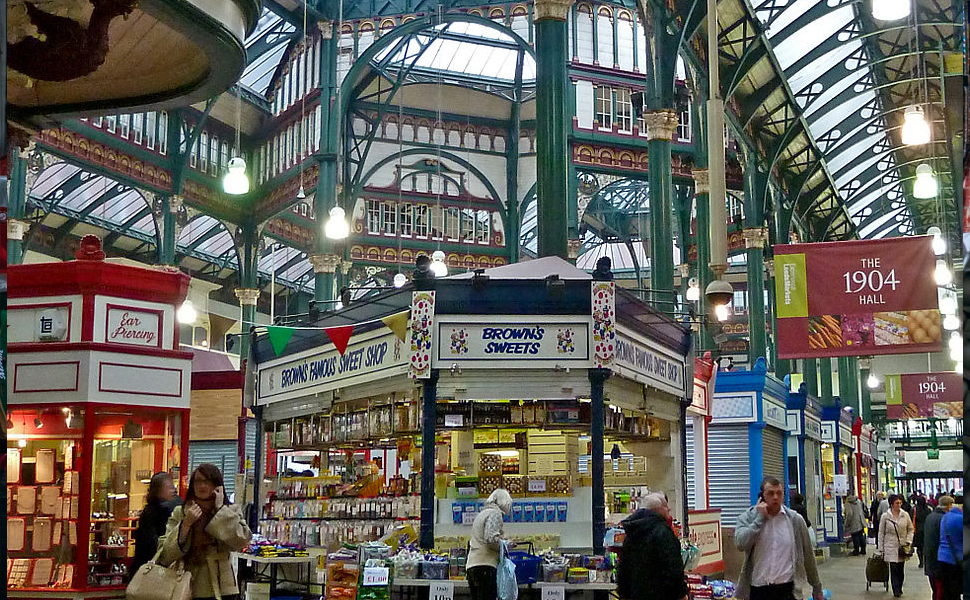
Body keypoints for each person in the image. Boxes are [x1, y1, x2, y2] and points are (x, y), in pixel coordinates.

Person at [158, 463, 252, 600]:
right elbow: (164, 554)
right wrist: (186, 524)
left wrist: (220, 510)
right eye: (198, 481)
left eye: (207, 481)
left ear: (217, 485)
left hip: (223, 587)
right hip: (187, 585)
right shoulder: (181, 512)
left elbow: (242, 540)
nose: (202, 486)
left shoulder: (230, 511)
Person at [735, 476, 823, 600]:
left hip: (788, 590)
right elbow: (740, 544)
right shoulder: (748, 518)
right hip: (758, 590)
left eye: (779, 493)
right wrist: (759, 519)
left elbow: (808, 555)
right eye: (770, 493)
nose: (775, 497)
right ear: (762, 496)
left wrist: (817, 586)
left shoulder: (795, 521)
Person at [616, 493, 688, 600]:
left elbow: (623, 567)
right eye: (666, 506)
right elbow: (673, 568)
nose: (669, 509)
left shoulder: (632, 532)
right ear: (659, 509)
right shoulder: (663, 532)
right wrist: (681, 594)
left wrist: (624, 594)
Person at [130, 472, 182, 577]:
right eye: (168, 488)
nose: (172, 490)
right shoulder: (151, 513)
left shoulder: (174, 510)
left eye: (173, 487)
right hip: (151, 569)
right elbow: (150, 543)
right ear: (158, 490)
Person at [466, 489, 512, 600]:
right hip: (485, 566)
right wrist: (506, 544)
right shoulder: (495, 514)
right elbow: (491, 539)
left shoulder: (482, 514)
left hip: (472, 565)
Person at [877, 494, 915, 598]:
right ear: (891, 504)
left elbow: (911, 529)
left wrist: (908, 541)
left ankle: (900, 586)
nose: (899, 505)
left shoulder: (905, 515)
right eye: (897, 503)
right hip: (890, 544)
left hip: (902, 546)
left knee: (900, 569)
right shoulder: (885, 516)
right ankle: (896, 590)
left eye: (900, 503)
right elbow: (881, 533)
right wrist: (881, 548)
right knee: (893, 568)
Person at [923, 494, 953, 600]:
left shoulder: (930, 516)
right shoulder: (943, 519)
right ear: (948, 506)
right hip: (939, 561)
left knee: (935, 590)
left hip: (930, 559)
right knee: (941, 591)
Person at [936, 494, 963, 600]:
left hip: (943, 557)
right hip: (955, 560)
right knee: (955, 590)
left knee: (948, 590)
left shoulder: (945, 517)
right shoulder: (960, 519)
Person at [912, 495, 931, 568]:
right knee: (925, 546)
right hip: (926, 530)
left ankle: (921, 561)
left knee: (919, 547)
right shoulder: (928, 509)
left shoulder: (915, 509)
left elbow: (912, 519)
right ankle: (925, 561)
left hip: (918, 530)